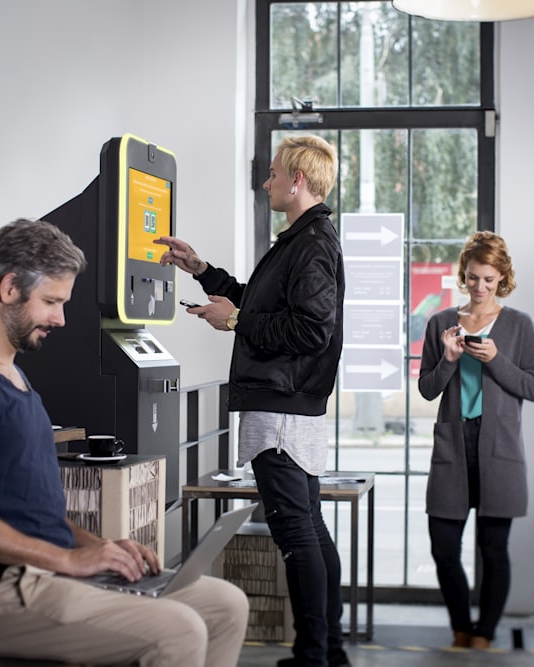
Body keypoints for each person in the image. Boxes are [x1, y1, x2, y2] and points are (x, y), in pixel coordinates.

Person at [0, 218, 248, 667]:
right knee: (178, 631)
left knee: (225, 604)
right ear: (9, 288)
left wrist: (99, 547)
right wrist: (68, 562)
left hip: (47, 573)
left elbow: (37, 519)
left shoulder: (14, 377)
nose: (61, 319)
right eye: (51, 301)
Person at [154, 134, 349, 667]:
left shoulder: (310, 244)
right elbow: (265, 303)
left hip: (281, 409)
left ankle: (314, 656)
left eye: (273, 174)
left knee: (296, 532)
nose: (266, 183)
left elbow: (310, 330)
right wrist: (201, 270)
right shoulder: (301, 240)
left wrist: (235, 321)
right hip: (287, 406)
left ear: (298, 180)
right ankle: (328, 651)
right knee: (309, 526)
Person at [417, 231, 534, 650]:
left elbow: (533, 387)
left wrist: (496, 360)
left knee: (494, 550)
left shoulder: (519, 325)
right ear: (464, 275)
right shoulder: (441, 322)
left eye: (489, 279)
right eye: (473, 278)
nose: (480, 287)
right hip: (453, 447)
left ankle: (484, 634)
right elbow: (428, 389)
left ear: (502, 277)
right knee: (444, 548)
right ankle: (461, 627)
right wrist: (450, 360)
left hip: (499, 450)